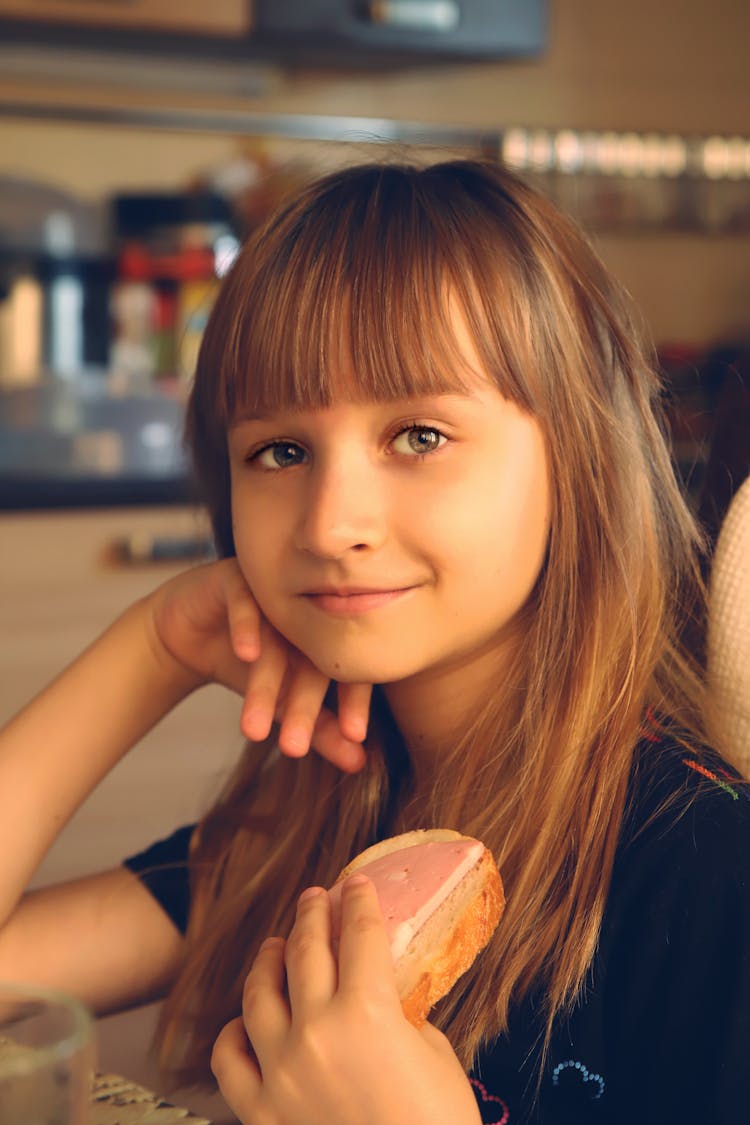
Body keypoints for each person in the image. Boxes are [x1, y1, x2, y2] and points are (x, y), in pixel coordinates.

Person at [1, 160, 748, 1125]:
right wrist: (153, 649)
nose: (329, 522)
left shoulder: (703, 869)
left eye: (420, 435)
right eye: (281, 450)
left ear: (581, 455)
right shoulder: (303, 839)